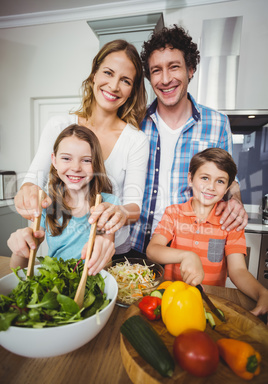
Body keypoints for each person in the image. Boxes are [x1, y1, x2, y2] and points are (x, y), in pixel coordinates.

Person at [14, 39, 149, 255]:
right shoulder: (58, 126)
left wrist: (119, 212)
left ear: (133, 90)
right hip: (63, 252)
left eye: (125, 80)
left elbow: (134, 207)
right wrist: (27, 192)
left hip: (112, 253)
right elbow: (33, 181)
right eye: (108, 73)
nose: (114, 86)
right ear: (94, 74)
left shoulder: (136, 140)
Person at [129, 25, 248, 257]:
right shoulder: (134, 121)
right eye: (156, 70)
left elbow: (229, 180)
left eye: (174, 67)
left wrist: (235, 200)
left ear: (191, 69)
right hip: (134, 245)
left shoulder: (217, 123)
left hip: (187, 250)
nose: (165, 79)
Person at [146, 148, 268, 317]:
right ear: (190, 179)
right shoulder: (173, 213)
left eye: (220, 181)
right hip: (172, 298)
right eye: (204, 178)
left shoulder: (230, 222)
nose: (211, 187)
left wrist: (262, 293)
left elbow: (238, 270)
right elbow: (152, 250)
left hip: (210, 301)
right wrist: (186, 256)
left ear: (227, 188)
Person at [8, 124, 118, 275]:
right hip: (54, 282)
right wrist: (21, 248)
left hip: (93, 279)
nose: (76, 167)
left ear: (96, 164)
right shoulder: (46, 203)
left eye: (86, 160)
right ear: (54, 160)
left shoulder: (109, 203)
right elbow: (17, 270)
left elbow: (106, 260)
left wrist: (100, 246)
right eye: (66, 158)